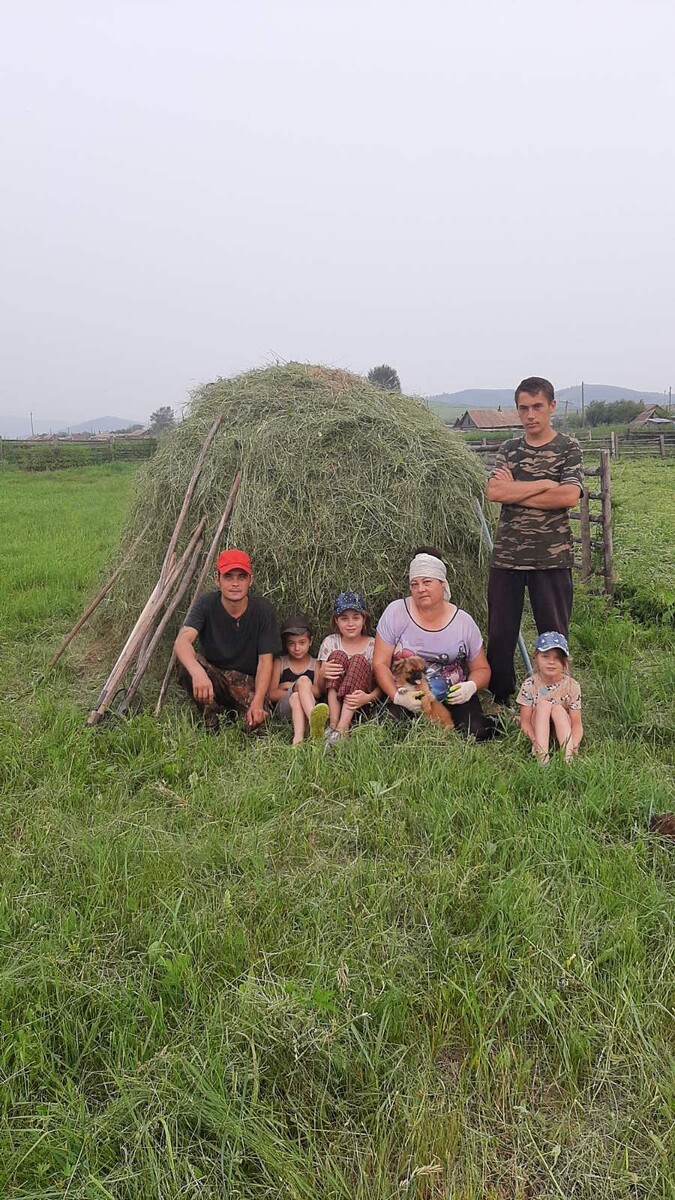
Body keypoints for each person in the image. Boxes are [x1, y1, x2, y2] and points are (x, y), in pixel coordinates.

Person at [486, 376, 584, 706]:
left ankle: (557, 697)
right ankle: (501, 699)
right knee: (500, 634)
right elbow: (495, 491)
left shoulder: (568, 447)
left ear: (551, 406)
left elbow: (569, 496)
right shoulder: (509, 450)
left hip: (551, 557)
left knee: (553, 632)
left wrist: (518, 492)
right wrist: (544, 483)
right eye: (523, 408)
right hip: (508, 557)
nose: (530, 414)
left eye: (537, 406)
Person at [373, 549, 493, 739]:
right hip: (409, 692)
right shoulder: (396, 612)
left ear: (442, 584)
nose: (420, 589)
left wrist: (470, 686)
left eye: (427, 582)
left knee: (476, 732)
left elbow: (482, 669)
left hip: (452, 694)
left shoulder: (463, 622)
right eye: (414, 584)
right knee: (388, 727)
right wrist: (397, 697)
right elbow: (379, 662)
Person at [174, 548, 281, 731]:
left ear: (250, 580)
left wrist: (258, 701)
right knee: (186, 663)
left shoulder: (263, 611)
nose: (235, 583)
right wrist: (198, 673)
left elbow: (265, 662)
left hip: (246, 680)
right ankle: (211, 719)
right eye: (228, 576)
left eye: (241, 577)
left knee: (257, 727)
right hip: (215, 676)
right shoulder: (206, 604)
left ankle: (239, 712)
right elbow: (181, 642)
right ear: (217, 579)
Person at [315, 592, 380, 744]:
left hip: (360, 703)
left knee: (358, 660)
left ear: (364, 619)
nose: (350, 624)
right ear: (336, 621)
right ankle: (333, 724)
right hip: (333, 701)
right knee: (338, 656)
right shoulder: (330, 642)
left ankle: (342, 729)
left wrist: (368, 698)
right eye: (344, 618)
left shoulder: (373, 645)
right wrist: (322, 674)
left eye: (356, 618)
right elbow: (317, 688)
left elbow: (382, 684)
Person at [517, 631, 582, 764]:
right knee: (543, 705)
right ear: (536, 658)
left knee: (558, 709)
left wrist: (575, 742)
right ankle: (542, 755)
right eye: (545, 656)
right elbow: (525, 721)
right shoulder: (530, 684)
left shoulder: (572, 685)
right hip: (538, 724)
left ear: (565, 662)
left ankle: (568, 756)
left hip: (563, 725)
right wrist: (534, 740)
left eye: (557, 658)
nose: (551, 662)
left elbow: (576, 723)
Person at [268, 614, 329, 745]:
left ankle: (298, 741)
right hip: (285, 710)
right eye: (291, 644)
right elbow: (272, 694)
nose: (297, 648)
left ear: (310, 641)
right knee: (303, 682)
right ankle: (315, 721)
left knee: (297, 696)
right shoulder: (280, 662)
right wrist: (298, 686)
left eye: (302, 643)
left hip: (305, 704)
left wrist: (290, 686)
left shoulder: (315, 664)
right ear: (285, 644)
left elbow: (318, 692)